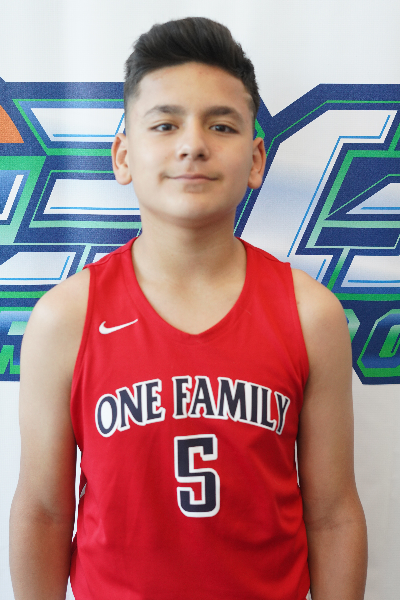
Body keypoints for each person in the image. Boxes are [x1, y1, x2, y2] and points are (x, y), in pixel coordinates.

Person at [9, 16, 367, 600]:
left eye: (221, 125)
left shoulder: (311, 315)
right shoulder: (64, 319)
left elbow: (332, 515)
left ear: (256, 159)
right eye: (165, 124)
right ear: (123, 156)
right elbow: (44, 512)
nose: (193, 144)